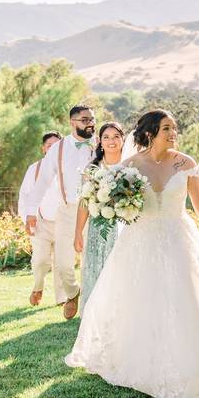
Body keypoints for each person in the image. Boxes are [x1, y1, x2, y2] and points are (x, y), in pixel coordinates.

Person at [66, 111, 199, 398]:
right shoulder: (128, 166)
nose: (174, 132)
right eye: (167, 128)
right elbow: (104, 201)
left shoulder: (186, 164)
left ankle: (192, 363)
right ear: (150, 133)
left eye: (175, 127)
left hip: (179, 239)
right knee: (142, 299)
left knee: (184, 299)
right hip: (140, 241)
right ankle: (139, 360)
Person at [26, 104, 96, 319]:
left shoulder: (100, 144)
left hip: (95, 210)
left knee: (91, 259)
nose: (90, 123)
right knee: (64, 264)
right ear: (72, 122)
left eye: (92, 119)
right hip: (67, 210)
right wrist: (30, 210)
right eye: (85, 120)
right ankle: (73, 292)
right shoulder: (58, 149)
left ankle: (91, 306)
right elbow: (43, 180)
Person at [73, 122, 126, 310]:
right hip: (99, 226)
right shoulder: (92, 169)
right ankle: (96, 311)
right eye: (106, 137)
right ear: (100, 142)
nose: (111, 141)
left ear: (123, 139)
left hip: (126, 225)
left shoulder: (131, 165)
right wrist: (78, 231)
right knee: (98, 268)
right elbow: (84, 203)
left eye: (116, 136)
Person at [17, 131, 66, 306]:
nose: (52, 148)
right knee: (40, 261)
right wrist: (27, 219)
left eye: (56, 145)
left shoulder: (68, 168)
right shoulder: (35, 169)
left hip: (64, 222)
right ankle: (38, 287)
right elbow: (25, 196)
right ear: (43, 148)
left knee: (62, 262)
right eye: (48, 145)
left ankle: (62, 298)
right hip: (40, 222)